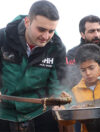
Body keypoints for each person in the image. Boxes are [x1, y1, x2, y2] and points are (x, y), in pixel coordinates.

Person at [0, 1, 67, 131]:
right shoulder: (3, 38)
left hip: (40, 112)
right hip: (5, 112)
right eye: (41, 29)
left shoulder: (57, 47)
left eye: (51, 31)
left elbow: (59, 82)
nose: (46, 36)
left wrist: (59, 100)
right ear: (27, 22)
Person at [57, 44, 100, 132]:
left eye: (91, 68)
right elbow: (69, 122)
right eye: (83, 70)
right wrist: (62, 111)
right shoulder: (75, 91)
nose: (88, 73)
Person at [64, 15, 100, 89]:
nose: (96, 35)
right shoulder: (73, 54)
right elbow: (70, 81)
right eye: (91, 31)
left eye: (98, 30)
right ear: (82, 34)